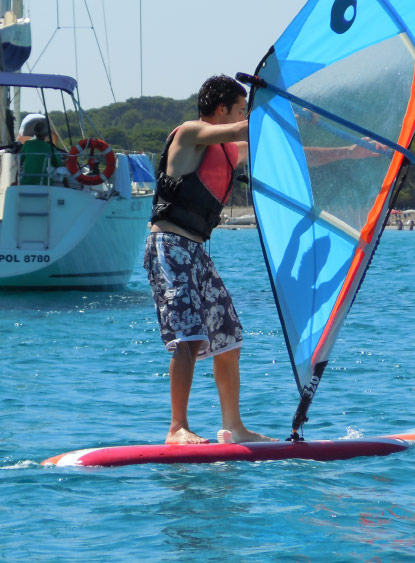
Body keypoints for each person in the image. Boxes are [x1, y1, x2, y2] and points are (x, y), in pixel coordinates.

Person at [144, 74, 274, 446]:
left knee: (229, 338)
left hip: (197, 252)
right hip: (169, 247)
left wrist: (347, 152)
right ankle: (177, 428)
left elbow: (273, 145)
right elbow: (250, 129)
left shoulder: (230, 148)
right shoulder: (188, 133)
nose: (243, 117)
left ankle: (234, 426)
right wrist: (278, 111)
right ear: (221, 110)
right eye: (239, 109)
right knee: (189, 336)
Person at [20, 120, 61, 185]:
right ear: (47, 134)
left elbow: (20, 161)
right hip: (45, 183)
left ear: (35, 133)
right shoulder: (49, 147)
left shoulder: (27, 144)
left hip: (26, 183)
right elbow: (58, 164)